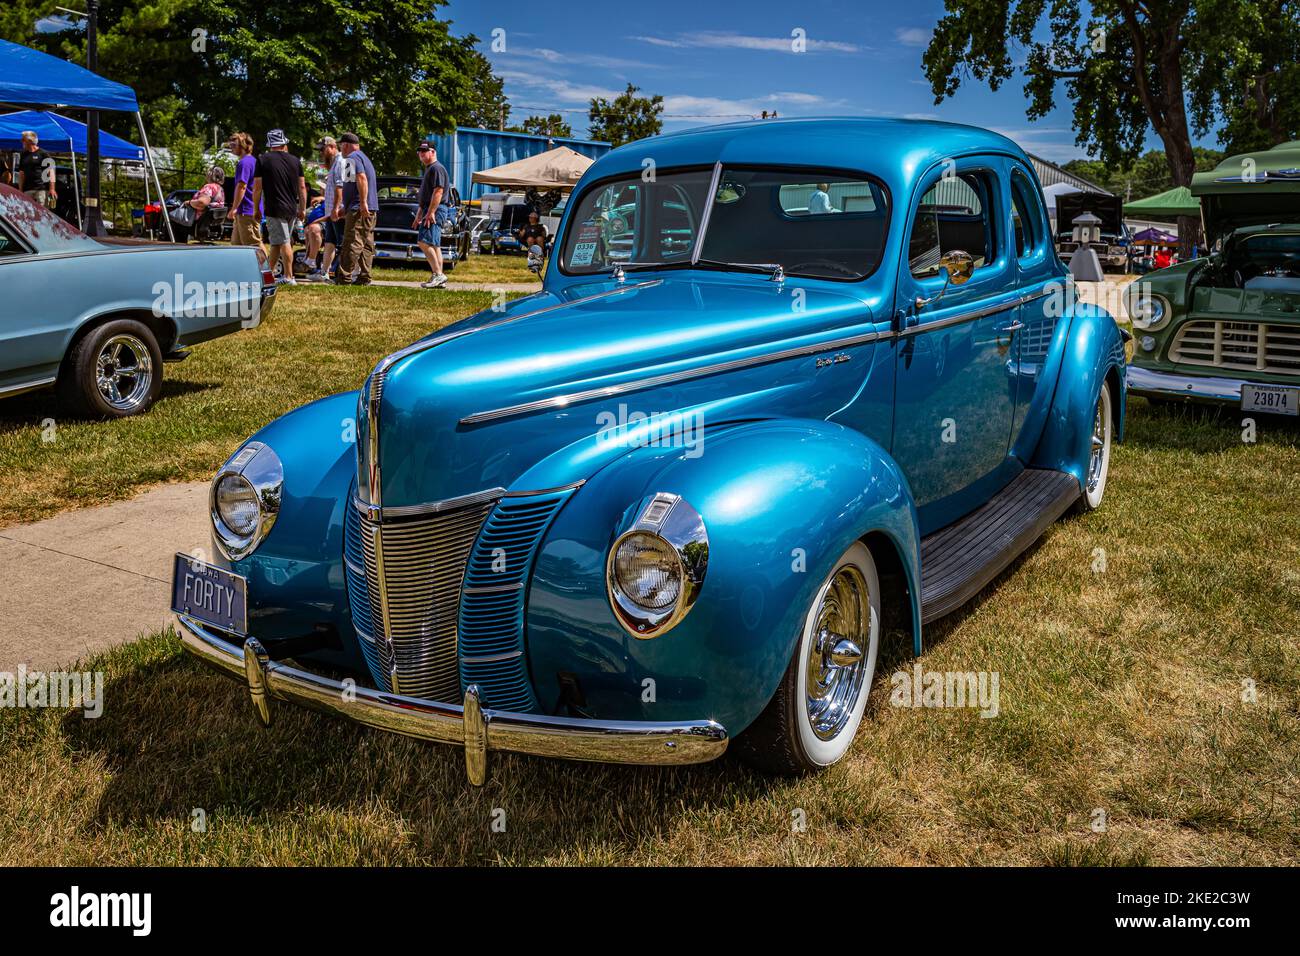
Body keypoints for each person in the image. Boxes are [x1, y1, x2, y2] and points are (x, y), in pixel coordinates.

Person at [251, 129, 306, 285]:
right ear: (284, 143)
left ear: (270, 145)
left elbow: (257, 188)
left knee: (284, 242)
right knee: (276, 242)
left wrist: (256, 209)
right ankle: (267, 275)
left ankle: (289, 277)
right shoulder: (295, 161)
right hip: (291, 208)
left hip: (274, 208)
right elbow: (302, 187)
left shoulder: (262, 160)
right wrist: (302, 208)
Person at [335, 132, 377, 286]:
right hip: (367, 208)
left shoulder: (351, 158)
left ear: (345, 145)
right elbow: (350, 185)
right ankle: (364, 277)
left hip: (359, 208)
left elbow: (361, 178)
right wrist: (345, 207)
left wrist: (362, 203)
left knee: (351, 242)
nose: (340, 149)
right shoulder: (363, 157)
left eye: (341, 146)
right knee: (365, 244)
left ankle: (344, 278)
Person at [305, 136, 347, 282]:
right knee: (330, 242)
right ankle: (324, 273)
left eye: (322, 149)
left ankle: (345, 274)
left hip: (338, 212)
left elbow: (340, 188)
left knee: (342, 244)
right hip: (331, 213)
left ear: (332, 147)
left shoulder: (341, 162)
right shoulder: (334, 163)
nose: (321, 153)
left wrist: (336, 209)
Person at [413, 141, 452, 289]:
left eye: (424, 151)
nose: (421, 154)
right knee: (434, 245)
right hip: (431, 209)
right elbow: (425, 197)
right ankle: (439, 277)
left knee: (424, 242)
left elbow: (438, 191)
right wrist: (419, 214)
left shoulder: (436, 168)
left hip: (436, 209)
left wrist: (431, 212)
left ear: (433, 152)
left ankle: (438, 274)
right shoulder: (430, 169)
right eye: (419, 151)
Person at [226, 132, 263, 250]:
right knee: (237, 246)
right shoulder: (251, 161)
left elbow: (242, 186)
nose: (231, 147)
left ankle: (267, 263)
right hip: (243, 211)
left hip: (247, 211)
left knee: (254, 246)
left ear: (243, 145)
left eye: (234, 144)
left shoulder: (245, 163)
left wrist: (234, 208)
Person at [17, 131, 56, 208]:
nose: (21, 141)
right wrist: (20, 190)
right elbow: (21, 173)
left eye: (23, 139)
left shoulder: (44, 153)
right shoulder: (23, 154)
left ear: (29, 141)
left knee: (41, 212)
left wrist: (52, 189)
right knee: (27, 211)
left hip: (41, 190)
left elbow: (51, 172)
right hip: (27, 190)